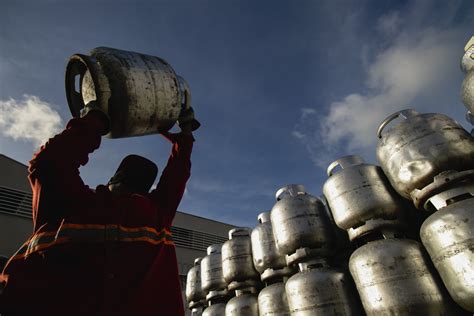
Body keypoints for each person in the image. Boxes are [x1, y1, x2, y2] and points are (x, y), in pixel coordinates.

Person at [0, 103, 196, 316]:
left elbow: (50, 163)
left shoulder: (70, 201)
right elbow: (176, 176)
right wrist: (184, 138)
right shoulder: (154, 214)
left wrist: (95, 118)